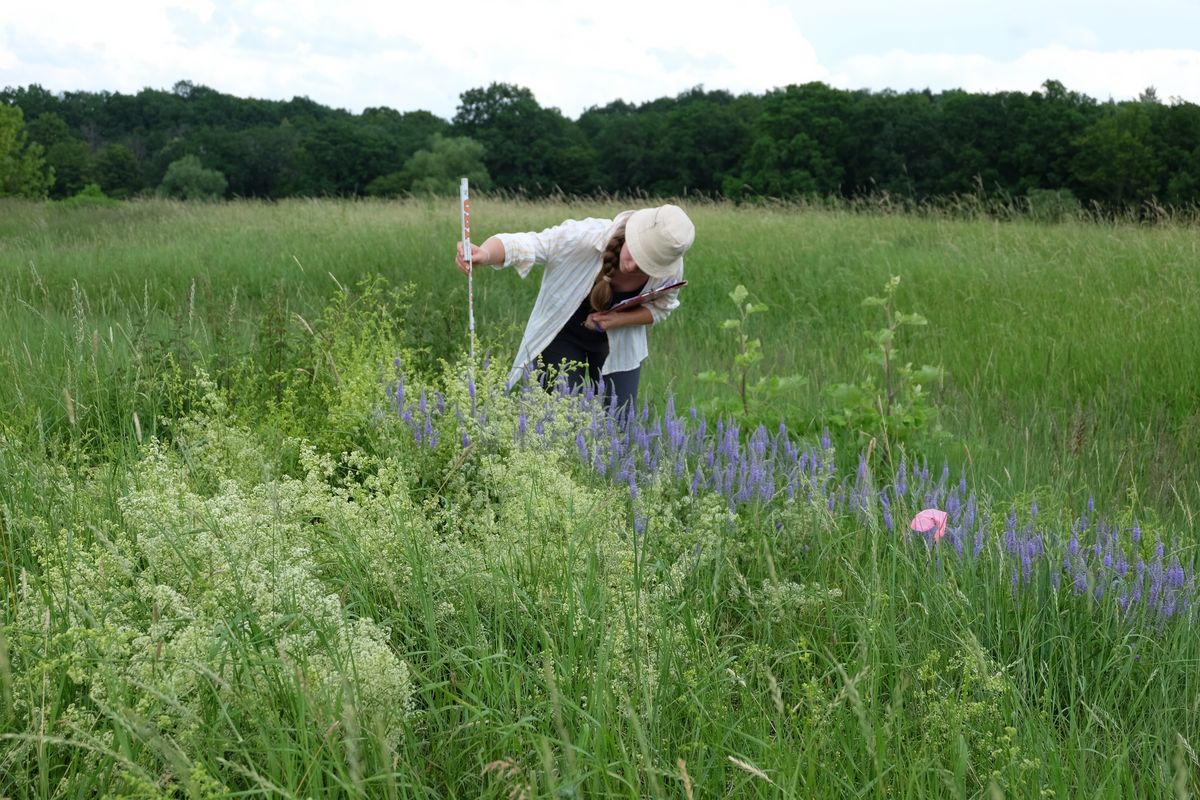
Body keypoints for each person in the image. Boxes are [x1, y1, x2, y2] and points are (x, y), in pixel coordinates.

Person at [455, 204, 695, 412]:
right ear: (631, 236)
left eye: (645, 266)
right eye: (634, 255)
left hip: (620, 345)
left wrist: (616, 321)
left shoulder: (670, 268)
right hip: (562, 337)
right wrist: (484, 254)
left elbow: (661, 308)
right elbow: (527, 244)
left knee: (620, 429)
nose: (632, 267)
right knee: (560, 422)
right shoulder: (584, 236)